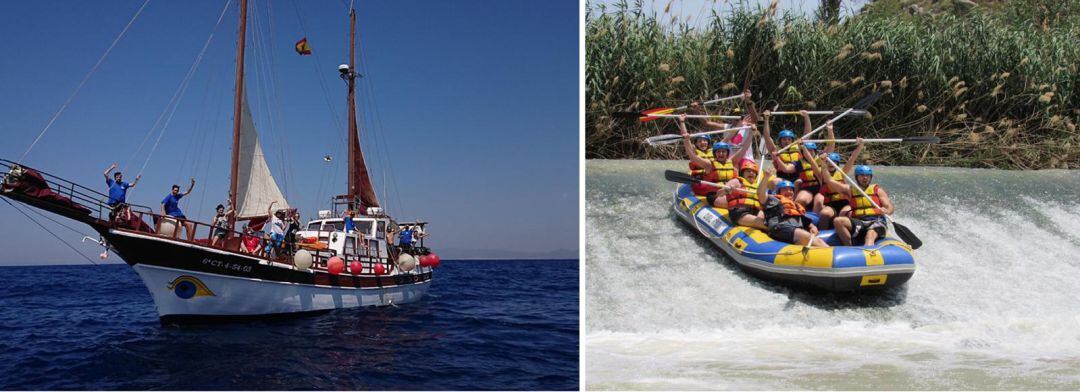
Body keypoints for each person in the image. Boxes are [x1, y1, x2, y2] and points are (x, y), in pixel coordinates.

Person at [807, 148, 894, 246]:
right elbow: (829, 180)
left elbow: (889, 206)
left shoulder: (877, 190)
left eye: (867, 176)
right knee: (838, 220)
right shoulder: (849, 189)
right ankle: (849, 247)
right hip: (859, 220)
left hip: (875, 220)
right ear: (857, 177)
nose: (864, 178)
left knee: (869, 236)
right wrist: (823, 163)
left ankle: (868, 254)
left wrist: (887, 211)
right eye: (861, 176)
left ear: (870, 177)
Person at [679, 114, 754, 207]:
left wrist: (748, 129)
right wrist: (683, 129)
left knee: (737, 180)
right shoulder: (708, 163)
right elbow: (691, 153)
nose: (703, 143)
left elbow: (738, 143)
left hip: (727, 187)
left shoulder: (727, 158)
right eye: (700, 141)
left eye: (705, 140)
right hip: (705, 185)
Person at [756, 180, 829, 248]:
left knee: (817, 240)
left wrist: (812, 226)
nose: (789, 191)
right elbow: (761, 195)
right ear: (778, 192)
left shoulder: (796, 206)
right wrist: (766, 177)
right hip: (780, 228)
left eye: (791, 190)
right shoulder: (774, 200)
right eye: (785, 189)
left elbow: (802, 219)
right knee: (808, 237)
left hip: (793, 230)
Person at [814, 139, 864, 229]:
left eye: (833, 162)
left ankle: (850, 232)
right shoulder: (821, 173)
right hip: (830, 204)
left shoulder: (842, 173)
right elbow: (818, 167)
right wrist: (822, 160)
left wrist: (860, 146)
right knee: (825, 213)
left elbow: (852, 159)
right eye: (828, 162)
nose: (831, 164)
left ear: (837, 164)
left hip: (845, 203)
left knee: (845, 213)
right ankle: (821, 234)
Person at [762, 110, 811, 183]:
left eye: (789, 139)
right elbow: (766, 136)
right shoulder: (775, 150)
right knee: (775, 181)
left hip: (797, 176)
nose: (787, 141)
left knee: (800, 182)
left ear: (792, 140)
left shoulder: (798, 147)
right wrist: (766, 119)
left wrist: (806, 117)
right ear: (780, 140)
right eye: (784, 139)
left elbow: (807, 133)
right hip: (782, 177)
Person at [721, 159, 768, 230]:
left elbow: (764, 201)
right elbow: (720, 193)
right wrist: (727, 189)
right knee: (766, 224)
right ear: (742, 173)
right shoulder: (737, 182)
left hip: (755, 211)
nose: (751, 173)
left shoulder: (758, 187)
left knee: (768, 219)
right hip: (740, 211)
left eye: (753, 172)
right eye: (748, 171)